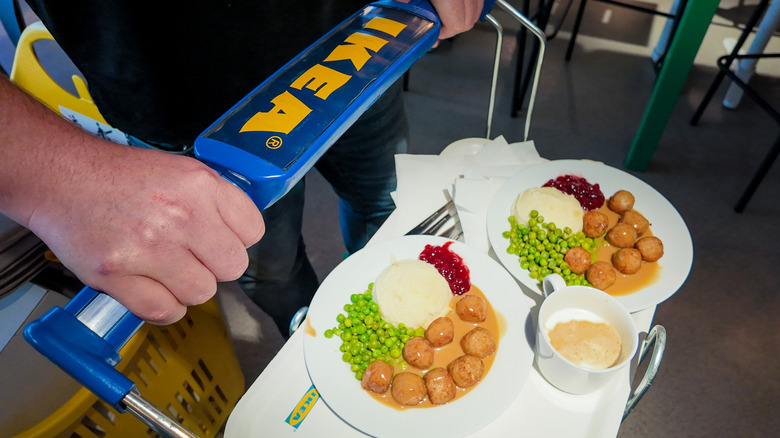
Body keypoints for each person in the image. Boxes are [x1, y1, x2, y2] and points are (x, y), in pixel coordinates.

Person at [0, 0, 485, 334]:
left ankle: (386, 293)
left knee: (386, 206)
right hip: (183, 109)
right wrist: (60, 173)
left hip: (354, 47)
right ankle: (319, 336)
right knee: (271, 270)